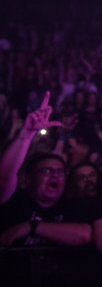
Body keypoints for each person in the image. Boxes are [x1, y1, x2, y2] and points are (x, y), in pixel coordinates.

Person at [0, 93, 92, 247]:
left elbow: (84, 235)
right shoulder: (15, 202)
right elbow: (4, 178)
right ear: (28, 178)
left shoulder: (70, 206)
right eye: (47, 171)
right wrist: (25, 135)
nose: (55, 175)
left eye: (60, 172)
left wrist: (31, 227)